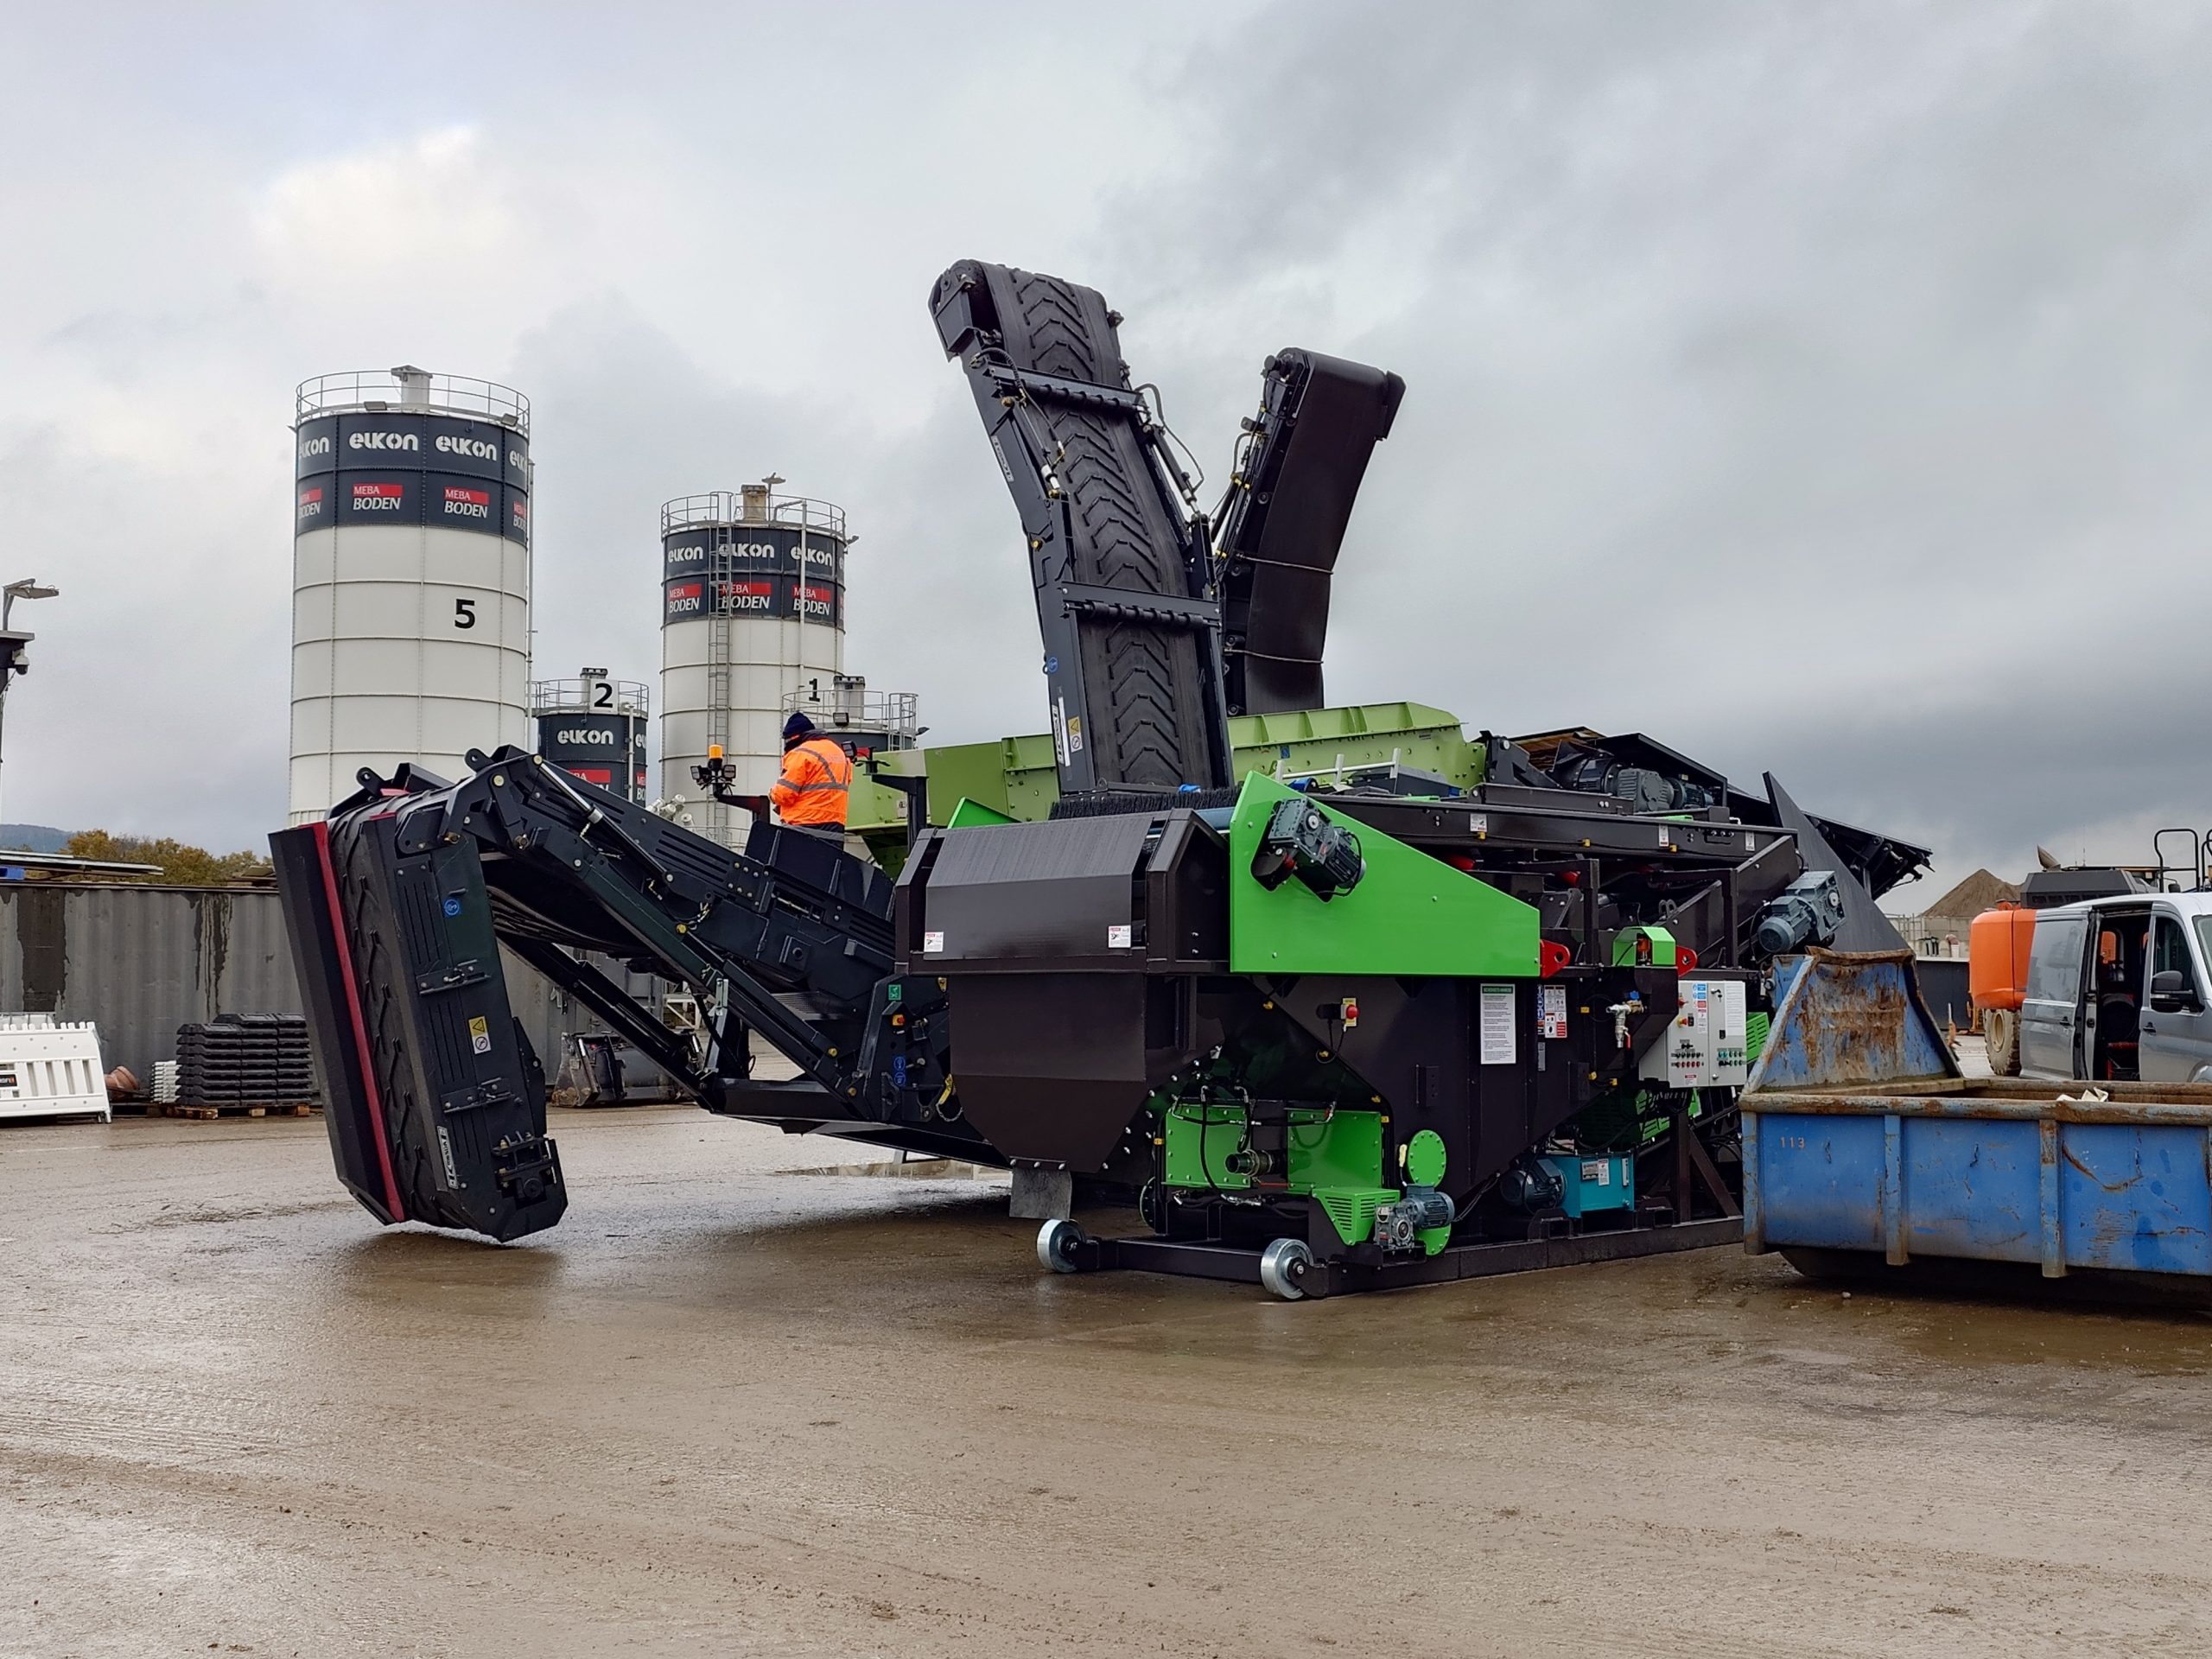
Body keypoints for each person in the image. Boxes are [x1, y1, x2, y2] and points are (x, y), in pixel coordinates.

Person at [770, 711, 853, 836]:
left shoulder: (801, 753)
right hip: (835, 825)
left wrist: (772, 795)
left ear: (793, 737)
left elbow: (785, 793)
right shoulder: (838, 752)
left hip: (804, 822)